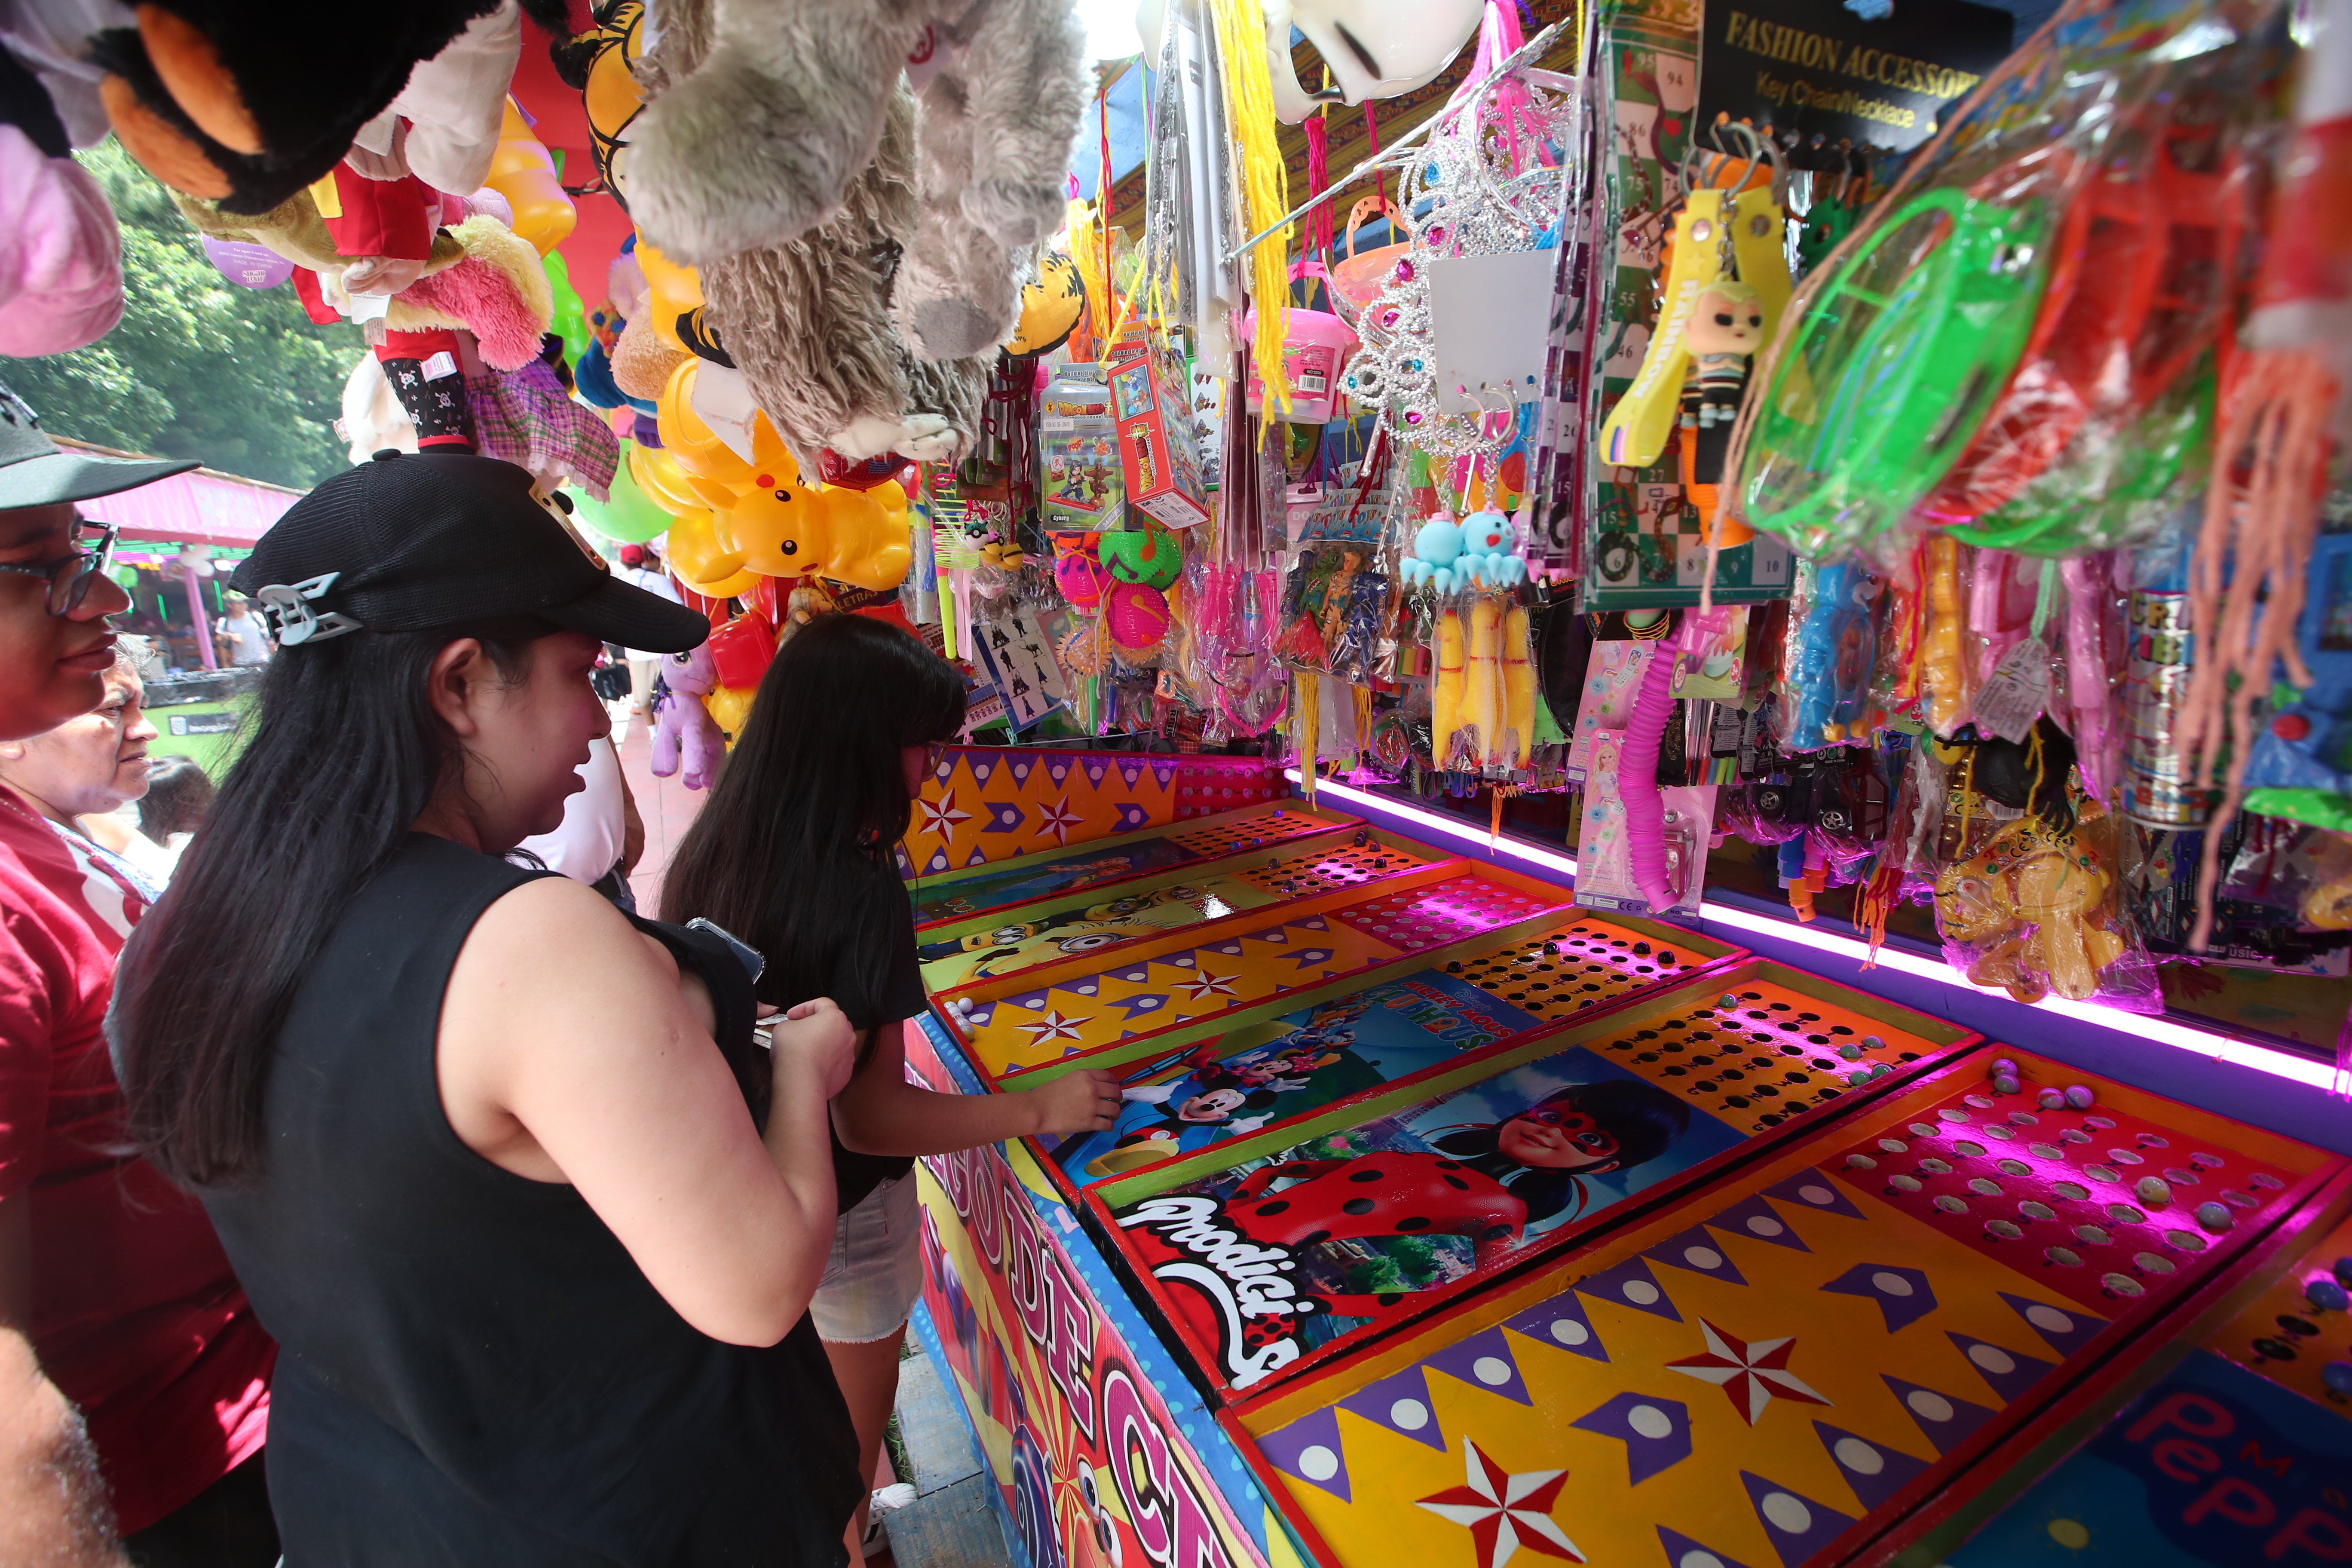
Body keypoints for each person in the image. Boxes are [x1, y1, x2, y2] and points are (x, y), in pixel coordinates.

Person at [111, 451, 862, 1565]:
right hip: (626, 1524)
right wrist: (803, 1071)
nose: (596, 729)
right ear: (459, 684)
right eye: (580, 676)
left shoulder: (185, 939)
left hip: (372, 1517)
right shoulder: (530, 942)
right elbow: (754, 1288)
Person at [660, 612, 1121, 1561]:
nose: (930, 770)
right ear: (863, 745)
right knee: (842, 1468)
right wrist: (1044, 1107)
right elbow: (869, 1117)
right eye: (921, 745)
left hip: (737, 1193)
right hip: (841, 1218)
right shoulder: (859, 882)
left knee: (791, 1434)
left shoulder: (720, 846)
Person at [0, 382, 278, 1568]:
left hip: (235, 1418)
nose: (107, 599)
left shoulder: (32, 837)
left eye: (86, 556)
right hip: (157, 1500)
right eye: (35, 568)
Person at [2, 646, 161, 892]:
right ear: (10, 735)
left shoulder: (85, 819)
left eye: (142, 708)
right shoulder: (13, 870)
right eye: (114, 708)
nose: (148, 730)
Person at [517, 734, 645, 909]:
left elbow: (604, 733)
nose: (603, 725)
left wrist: (627, 803)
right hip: (542, 911)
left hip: (615, 887)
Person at [613, 543, 681, 715]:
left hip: (636, 651)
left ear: (623, 562)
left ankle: (653, 734)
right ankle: (672, 731)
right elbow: (679, 608)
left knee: (643, 699)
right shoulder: (659, 580)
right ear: (643, 559)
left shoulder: (617, 585)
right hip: (664, 648)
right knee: (671, 695)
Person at [214, 594, 270, 665]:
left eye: (244, 602)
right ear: (229, 605)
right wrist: (228, 637)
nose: (243, 605)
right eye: (238, 603)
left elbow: (268, 635)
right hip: (241, 663)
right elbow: (220, 643)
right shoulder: (224, 622)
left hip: (263, 659)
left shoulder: (256, 616)